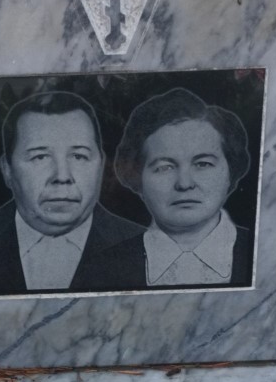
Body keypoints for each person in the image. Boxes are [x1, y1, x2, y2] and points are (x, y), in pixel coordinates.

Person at [0, 89, 144, 295]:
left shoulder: (146, 248)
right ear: (7, 170)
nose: (62, 176)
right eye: (40, 157)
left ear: (101, 166)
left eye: (79, 156)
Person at [103, 87, 254, 289]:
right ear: (137, 178)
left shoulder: (265, 252)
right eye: (164, 167)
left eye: (203, 164)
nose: (184, 184)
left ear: (231, 171)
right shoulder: (101, 270)